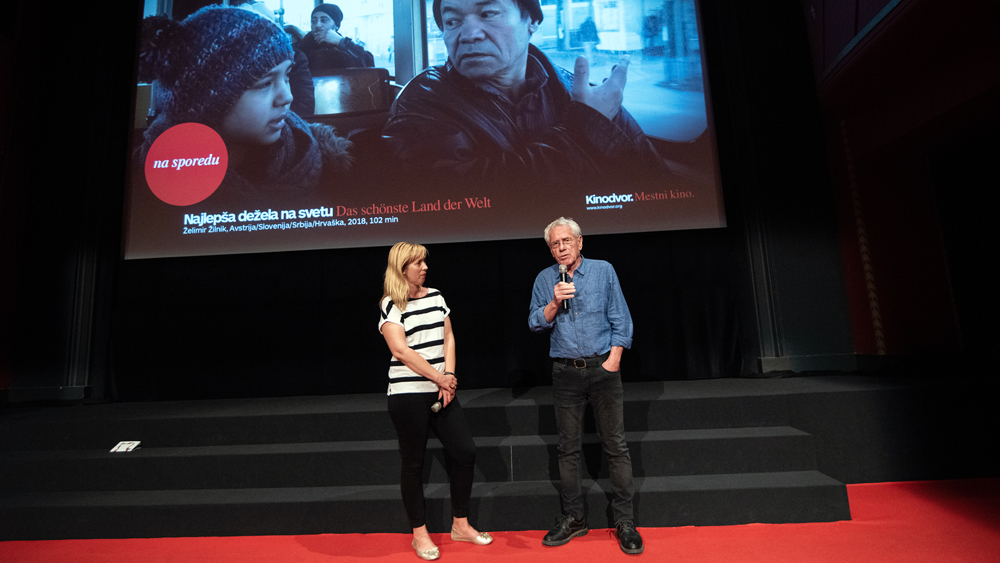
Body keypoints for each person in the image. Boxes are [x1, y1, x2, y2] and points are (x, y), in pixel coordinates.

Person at [381, 0, 668, 193]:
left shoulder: (575, 92)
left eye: (488, 13)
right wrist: (583, 131)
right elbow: (466, 199)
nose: (468, 34)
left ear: (531, 20)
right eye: (452, 21)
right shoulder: (424, 99)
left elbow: (652, 181)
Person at [137, 6, 350, 208]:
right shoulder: (144, 192)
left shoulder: (323, 163)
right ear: (206, 100)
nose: (287, 97)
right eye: (265, 83)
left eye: (286, 76)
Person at [528, 217, 643, 555]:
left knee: (615, 446)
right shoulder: (545, 279)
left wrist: (614, 359)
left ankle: (625, 521)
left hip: (602, 368)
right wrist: (553, 302)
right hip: (565, 372)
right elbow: (535, 323)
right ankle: (574, 517)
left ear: (580, 242)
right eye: (554, 244)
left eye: (566, 241)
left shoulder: (603, 271)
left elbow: (621, 318)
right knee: (568, 449)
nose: (561, 248)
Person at [378, 242, 492, 560]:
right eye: (417, 263)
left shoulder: (437, 296)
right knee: (413, 464)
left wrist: (450, 377)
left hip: (442, 390)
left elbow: (448, 338)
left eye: (425, 261)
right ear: (402, 269)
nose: (424, 267)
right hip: (407, 394)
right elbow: (400, 350)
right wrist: (437, 377)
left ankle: (460, 524)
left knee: (465, 451)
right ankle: (420, 534)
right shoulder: (391, 304)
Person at [299, 4, 375, 72]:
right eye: (314, 21)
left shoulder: (344, 46)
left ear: (337, 25)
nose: (318, 25)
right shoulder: (302, 47)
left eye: (324, 20)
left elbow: (367, 63)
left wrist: (341, 42)